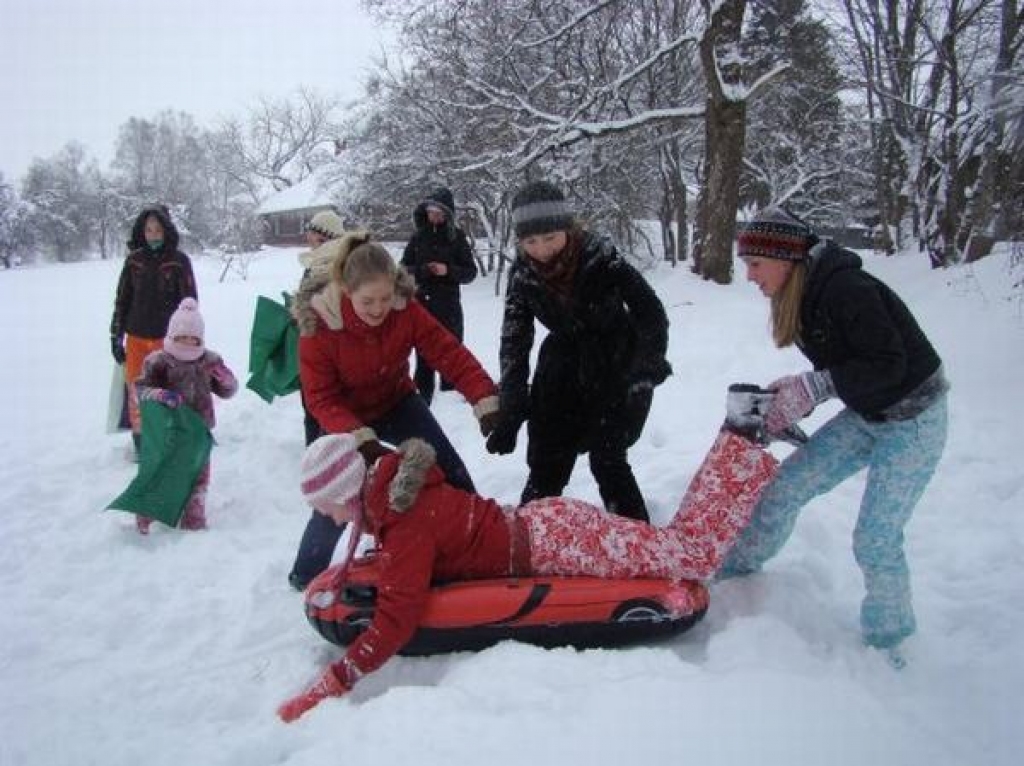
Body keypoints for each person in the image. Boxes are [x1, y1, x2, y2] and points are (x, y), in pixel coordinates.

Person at [276, 407, 779, 722]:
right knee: (675, 548)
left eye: (325, 506)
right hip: (546, 525)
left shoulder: (405, 521)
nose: (325, 517)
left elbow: (397, 617)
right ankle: (742, 433)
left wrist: (337, 679)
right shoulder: (390, 492)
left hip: (557, 543)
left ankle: (745, 433)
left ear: (346, 492)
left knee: (690, 554)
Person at [719, 207, 949, 655]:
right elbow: (845, 366)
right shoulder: (801, 296)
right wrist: (797, 399)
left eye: (754, 264)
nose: (749, 276)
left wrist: (817, 385)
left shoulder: (848, 290)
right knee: (783, 488)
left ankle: (891, 643)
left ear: (784, 258)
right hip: (866, 415)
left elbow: (888, 365)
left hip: (913, 422)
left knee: (875, 540)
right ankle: (733, 575)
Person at [286, 233, 500, 591]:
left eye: (385, 298)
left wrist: (484, 398)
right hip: (345, 417)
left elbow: (448, 353)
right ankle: (306, 574)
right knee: (341, 493)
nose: (378, 309)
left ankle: (478, 540)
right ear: (345, 291)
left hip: (397, 401)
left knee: (448, 470)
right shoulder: (318, 327)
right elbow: (320, 398)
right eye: (367, 301)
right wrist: (359, 439)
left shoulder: (405, 310)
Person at [486, 180, 671, 523]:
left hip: (616, 362)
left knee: (608, 457)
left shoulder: (602, 258)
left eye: (550, 238)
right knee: (546, 458)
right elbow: (515, 338)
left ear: (567, 230)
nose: (542, 250)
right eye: (531, 241)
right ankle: (529, 534)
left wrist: (646, 368)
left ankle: (636, 540)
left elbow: (650, 311)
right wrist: (512, 405)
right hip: (562, 366)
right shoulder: (523, 275)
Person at [133, 298, 238, 533]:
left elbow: (227, 391)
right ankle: (148, 511)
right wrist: (160, 395)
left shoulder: (209, 361)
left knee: (199, 474)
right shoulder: (159, 361)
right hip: (169, 431)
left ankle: (194, 513)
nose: (187, 343)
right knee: (164, 472)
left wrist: (227, 380)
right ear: (171, 336)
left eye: (193, 338)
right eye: (181, 338)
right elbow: (140, 391)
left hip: (199, 430)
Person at [110, 204, 198, 458]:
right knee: (138, 392)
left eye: (158, 229)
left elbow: (190, 304)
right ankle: (142, 442)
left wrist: (190, 339)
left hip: (168, 340)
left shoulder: (179, 261)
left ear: (167, 230)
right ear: (142, 231)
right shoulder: (134, 261)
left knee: (169, 391)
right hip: (137, 338)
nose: (153, 234)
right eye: (148, 230)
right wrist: (116, 336)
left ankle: (170, 440)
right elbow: (122, 300)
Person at [400, 186, 478, 404]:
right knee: (423, 361)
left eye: (439, 212)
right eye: (430, 212)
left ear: (448, 214)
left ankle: (453, 411)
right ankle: (422, 407)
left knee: (451, 358)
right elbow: (403, 269)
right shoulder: (417, 237)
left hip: (448, 309)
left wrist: (448, 270)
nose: (434, 216)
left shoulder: (457, 238)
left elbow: (470, 273)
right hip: (421, 308)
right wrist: (423, 270)